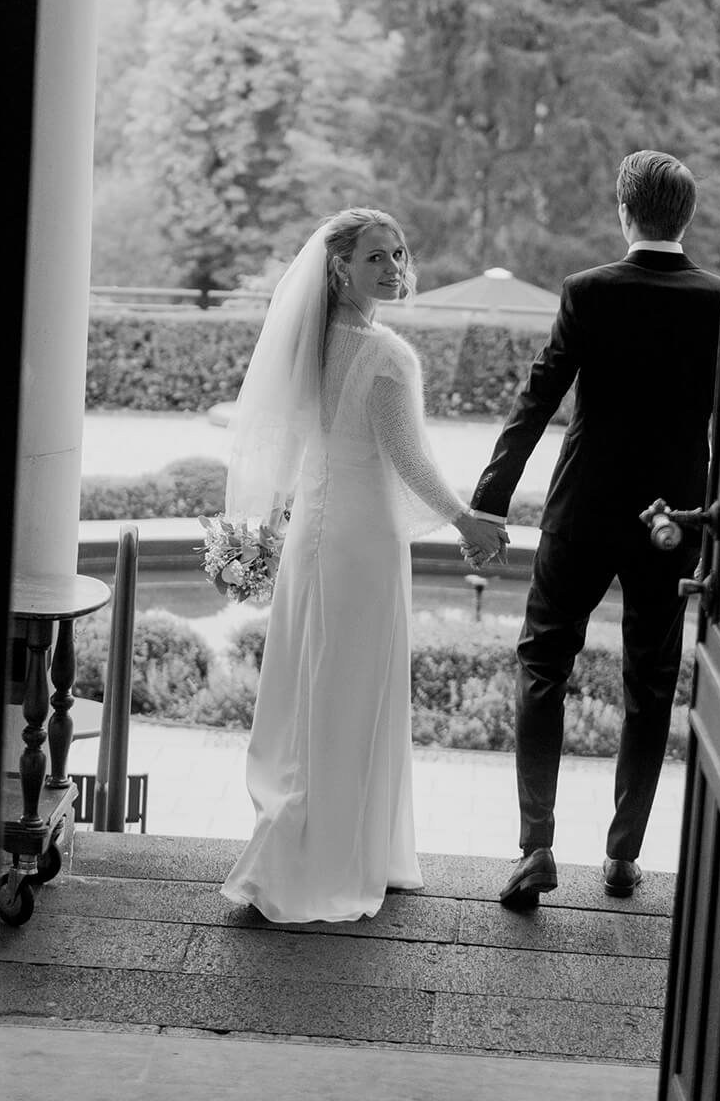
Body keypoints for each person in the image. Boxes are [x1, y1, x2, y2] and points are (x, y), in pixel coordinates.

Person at [220, 207, 509, 924]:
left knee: (315, 694)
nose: (395, 267)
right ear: (340, 267)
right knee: (352, 698)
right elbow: (410, 461)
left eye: (399, 254)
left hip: (317, 539)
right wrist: (468, 521)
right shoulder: (385, 356)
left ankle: (351, 850)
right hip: (360, 548)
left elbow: (287, 446)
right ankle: (330, 860)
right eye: (377, 257)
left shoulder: (310, 347)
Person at [468, 151, 720, 910]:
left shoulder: (588, 291)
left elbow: (538, 397)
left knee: (543, 665)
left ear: (624, 210)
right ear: (687, 217)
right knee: (650, 684)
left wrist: (490, 500)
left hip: (581, 512)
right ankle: (622, 858)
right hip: (672, 522)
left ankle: (536, 847)